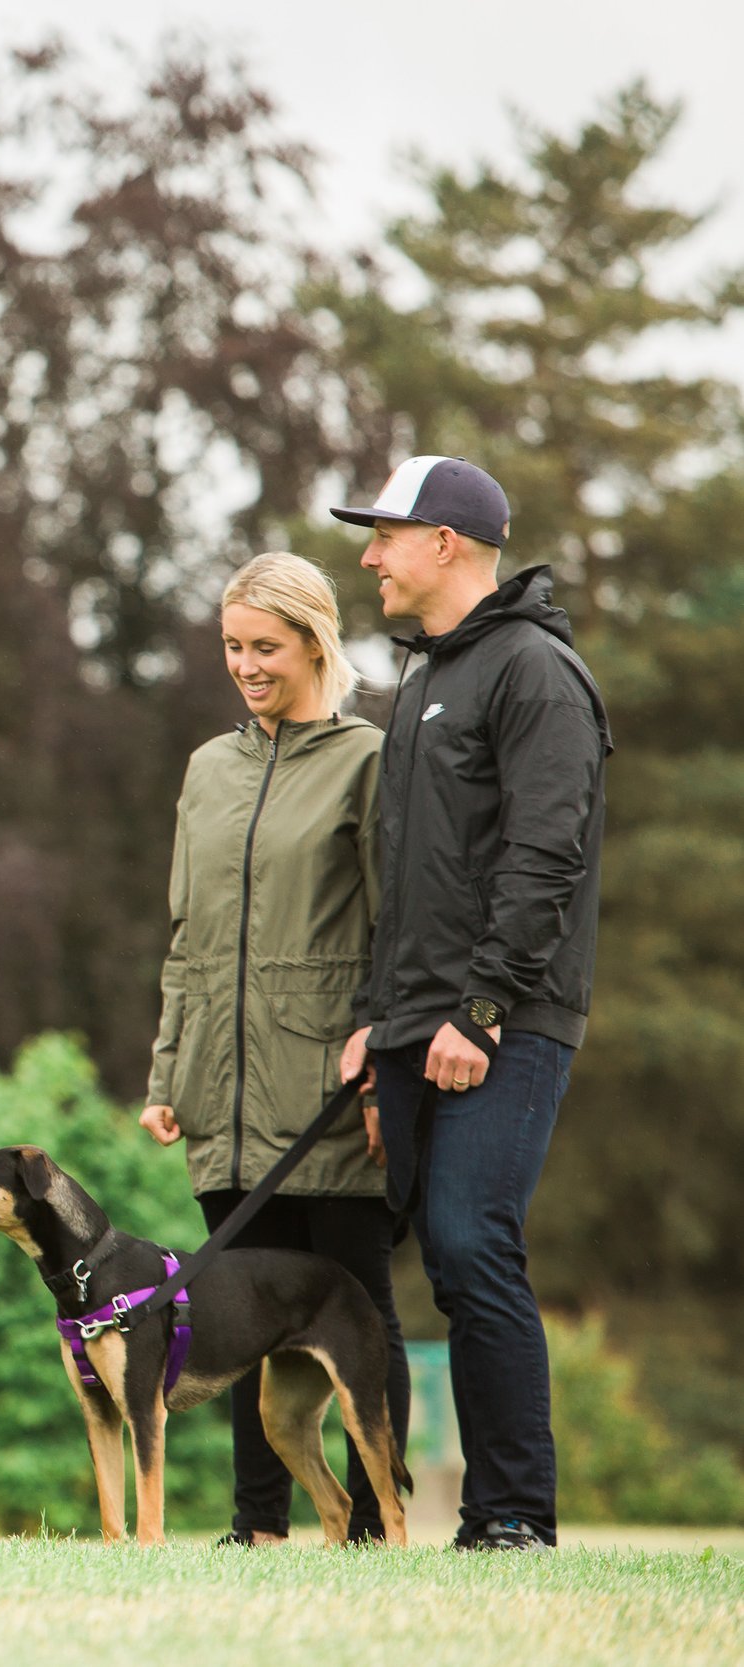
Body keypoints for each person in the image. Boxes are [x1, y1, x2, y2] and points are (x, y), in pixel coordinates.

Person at [333, 456, 611, 1551]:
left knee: (468, 1239)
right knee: (408, 1252)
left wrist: (482, 1008)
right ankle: (380, 1513)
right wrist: (373, 1012)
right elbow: (402, 874)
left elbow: (548, 853)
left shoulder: (533, 671)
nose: (369, 555)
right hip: (411, 1023)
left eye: (385, 534)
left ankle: (510, 1516)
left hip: (504, 1019)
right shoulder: (425, 676)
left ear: (443, 542)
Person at [140, 551, 405, 1546]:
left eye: (264, 646)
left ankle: (378, 1530)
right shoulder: (208, 768)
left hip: (330, 1084)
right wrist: (169, 1072)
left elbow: (395, 926)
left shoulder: (365, 760)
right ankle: (258, 1526)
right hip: (220, 1084)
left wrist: (385, 1068)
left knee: (355, 1320)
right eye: (231, 647)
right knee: (244, 1313)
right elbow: (187, 933)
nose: (244, 665)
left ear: (313, 643)